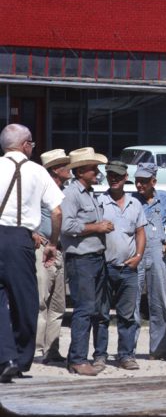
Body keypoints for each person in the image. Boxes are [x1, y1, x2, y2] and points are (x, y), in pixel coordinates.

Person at [0, 124, 63, 383]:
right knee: (24, 301)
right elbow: (57, 211)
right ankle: (21, 359)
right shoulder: (37, 171)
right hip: (19, 239)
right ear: (25, 145)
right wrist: (53, 244)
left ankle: (6, 358)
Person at [61, 147, 113, 376]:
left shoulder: (90, 193)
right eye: (93, 168)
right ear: (80, 171)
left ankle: (83, 357)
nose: (97, 171)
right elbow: (66, 225)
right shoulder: (71, 194)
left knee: (95, 309)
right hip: (81, 259)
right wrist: (97, 227)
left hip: (95, 257)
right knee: (84, 309)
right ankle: (78, 359)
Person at [94, 160, 146, 371]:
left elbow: (140, 232)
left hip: (128, 269)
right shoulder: (100, 202)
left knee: (127, 316)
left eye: (117, 175)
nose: (113, 179)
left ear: (126, 177)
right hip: (105, 267)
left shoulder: (135, 204)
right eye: (110, 175)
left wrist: (139, 256)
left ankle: (126, 355)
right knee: (101, 315)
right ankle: (100, 356)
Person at [132, 162, 166, 361]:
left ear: (154, 181)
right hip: (136, 254)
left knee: (159, 302)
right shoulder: (132, 200)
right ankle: (128, 351)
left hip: (157, 254)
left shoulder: (165, 198)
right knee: (131, 303)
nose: (139, 186)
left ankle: (159, 350)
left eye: (144, 181)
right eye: (137, 181)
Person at [35, 148, 71, 365]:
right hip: (44, 248)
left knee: (58, 303)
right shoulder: (40, 190)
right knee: (40, 300)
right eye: (65, 166)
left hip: (58, 248)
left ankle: (52, 348)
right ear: (56, 170)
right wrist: (33, 233)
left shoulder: (63, 191)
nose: (69, 169)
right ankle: (37, 349)